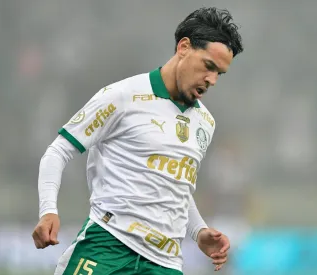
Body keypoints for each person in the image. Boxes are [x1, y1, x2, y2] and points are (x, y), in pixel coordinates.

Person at [32, 7, 244, 275]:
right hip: (107, 246)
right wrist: (48, 210)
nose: (211, 80)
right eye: (208, 66)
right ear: (184, 47)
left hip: (165, 264)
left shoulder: (206, 123)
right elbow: (58, 151)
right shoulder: (122, 96)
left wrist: (199, 231)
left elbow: (176, 189)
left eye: (219, 74)